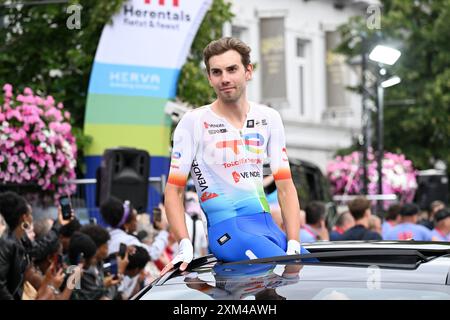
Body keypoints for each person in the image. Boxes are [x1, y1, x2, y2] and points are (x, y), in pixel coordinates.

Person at [162, 37, 310, 275]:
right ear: (209, 78)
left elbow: (285, 186)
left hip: (267, 226)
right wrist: (184, 245)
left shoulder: (269, 118)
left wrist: (294, 241)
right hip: (228, 229)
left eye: (232, 69)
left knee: (306, 279)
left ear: (248, 71)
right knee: (283, 274)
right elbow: (173, 190)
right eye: (217, 72)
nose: (225, 79)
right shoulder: (193, 122)